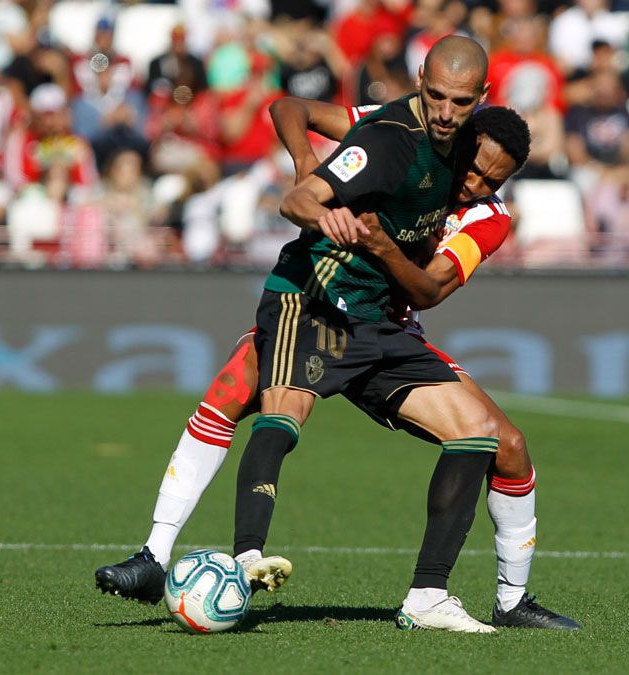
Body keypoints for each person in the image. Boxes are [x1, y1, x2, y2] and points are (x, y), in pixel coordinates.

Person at [97, 36, 504, 634]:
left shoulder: (468, 160)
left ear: (481, 99)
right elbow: (295, 155)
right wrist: (309, 173)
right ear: (419, 79)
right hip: (312, 295)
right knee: (242, 397)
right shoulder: (387, 135)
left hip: (377, 317)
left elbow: (429, 280)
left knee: (483, 433)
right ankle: (183, 556)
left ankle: (434, 596)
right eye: (436, 96)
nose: (445, 111)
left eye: (460, 102)